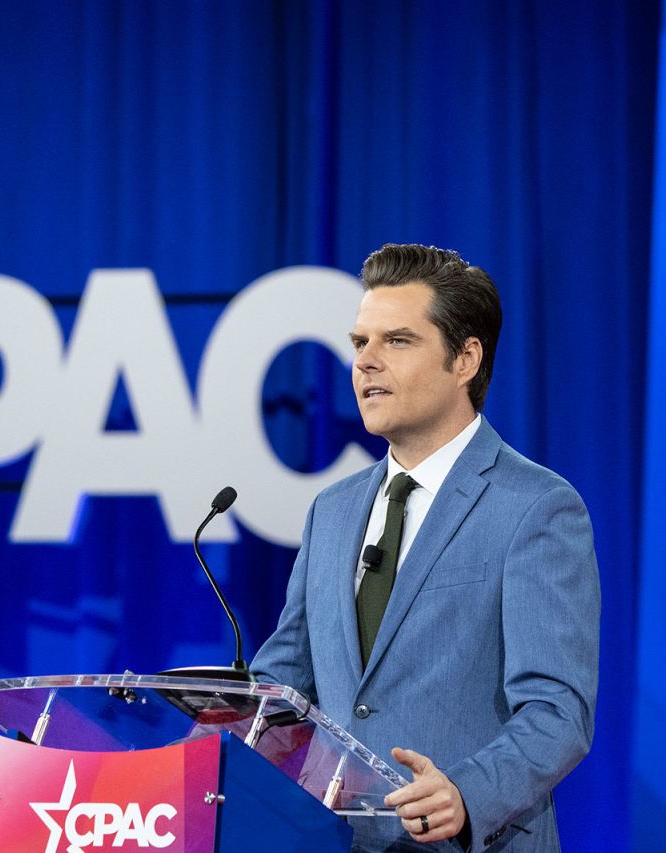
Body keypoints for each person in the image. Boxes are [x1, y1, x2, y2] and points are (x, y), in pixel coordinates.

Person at [250, 244, 600, 852]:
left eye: (398, 342)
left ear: (465, 359)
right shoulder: (332, 510)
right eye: (360, 343)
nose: (366, 363)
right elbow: (287, 680)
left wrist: (465, 794)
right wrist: (220, 717)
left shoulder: (536, 507)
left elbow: (558, 711)